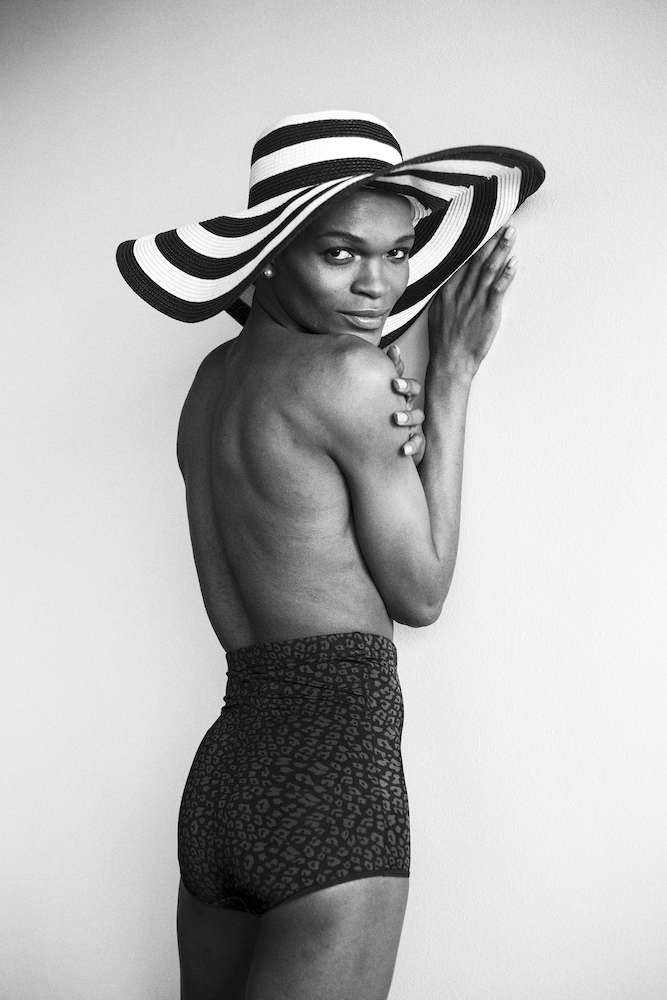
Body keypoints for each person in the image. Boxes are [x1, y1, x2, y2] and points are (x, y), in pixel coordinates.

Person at [117, 112, 544, 1000]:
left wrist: (401, 359)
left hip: (224, 777)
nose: (378, 284)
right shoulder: (349, 379)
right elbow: (419, 591)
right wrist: (454, 374)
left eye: (396, 253)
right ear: (271, 254)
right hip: (333, 774)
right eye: (341, 254)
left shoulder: (210, 385)